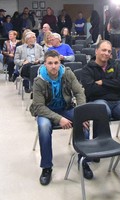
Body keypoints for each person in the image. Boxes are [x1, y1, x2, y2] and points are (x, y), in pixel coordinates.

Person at [80, 40, 120, 178]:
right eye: (103, 50)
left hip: (117, 101)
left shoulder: (116, 65)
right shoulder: (87, 69)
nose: (106, 53)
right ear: (96, 51)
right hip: (98, 102)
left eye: (109, 51)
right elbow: (91, 89)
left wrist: (103, 83)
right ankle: (100, 146)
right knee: (103, 111)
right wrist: (111, 85)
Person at [29, 50, 89, 186]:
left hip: (66, 108)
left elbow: (79, 92)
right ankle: (46, 167)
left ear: (60, 62)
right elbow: (39, 107)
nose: (54, 66)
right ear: (45, 64)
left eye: (56, 63)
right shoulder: (39, 81)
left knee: (84, 123)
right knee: (44, 127)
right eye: (50, 63)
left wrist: (83, 113)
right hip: (46, 111)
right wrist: (59, 119)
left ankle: (84, 161)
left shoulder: (67, 73)